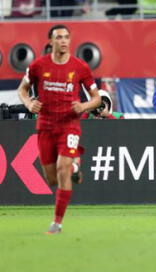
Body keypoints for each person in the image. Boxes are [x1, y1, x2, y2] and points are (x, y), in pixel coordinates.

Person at [17, 24, 102, 234]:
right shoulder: (38, 65)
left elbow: (97, 98)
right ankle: (74, 167)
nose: (63, 41)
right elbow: (22, 89)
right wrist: (29, 104)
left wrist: (83, 106)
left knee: (62, 169)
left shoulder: (80, 67)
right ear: (51, 41)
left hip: (69, 125)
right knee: (52, 179)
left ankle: (57, 223)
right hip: (45, 126)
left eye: (66, 37)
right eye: (59, 37)